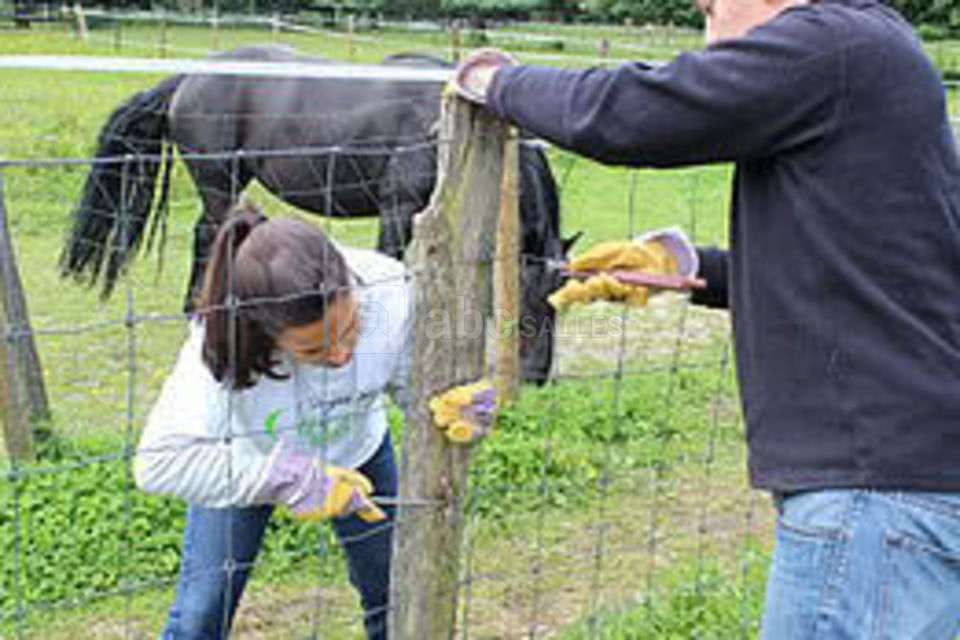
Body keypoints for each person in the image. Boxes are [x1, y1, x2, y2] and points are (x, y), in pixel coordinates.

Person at [451, 1, 960, 638]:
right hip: (907, 486)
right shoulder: (880, 56)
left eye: (713, 9)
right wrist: (690, 266)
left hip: (871, 500)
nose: (709, 34)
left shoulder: (834, 45)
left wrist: (496, 81)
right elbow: (877, 267)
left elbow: (637, 113)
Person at [134, 201, 495, 640]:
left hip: (356, 450)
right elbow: (156, 463)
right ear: (263, 335)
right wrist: (284, 479)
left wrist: (449, 404)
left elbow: (413, 387)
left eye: (350, 331)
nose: (342, 356)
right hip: (248, 458)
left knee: (394, 592)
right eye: (311, 351)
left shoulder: (387, 292)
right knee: (200, 613)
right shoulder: (218, 345)